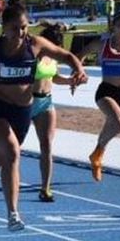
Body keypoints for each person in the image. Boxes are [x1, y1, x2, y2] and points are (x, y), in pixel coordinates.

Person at [0, 4, 87, 231]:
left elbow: (66, 55)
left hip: (21, 114)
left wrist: (79, 70)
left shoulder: (35, 45)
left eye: (24, 27)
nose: (21, 33)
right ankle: (12, 214)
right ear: (3, 27)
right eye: (15, 28)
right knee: (12, 153)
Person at [77, 12, 120, 182]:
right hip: (106, 91)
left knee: (110, 128)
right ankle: (97, 155)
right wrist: (79, 71)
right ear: (113, 27)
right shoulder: (102, 45)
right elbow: (80, 55)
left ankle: (97, 156)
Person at [30, 22, 80, 202]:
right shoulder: (32, 55)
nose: (55, 50)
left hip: (46, 102)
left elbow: (54, 77)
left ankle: (45, 188)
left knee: (47, 146)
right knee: (11, 147)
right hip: (26, 102)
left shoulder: (53, 58)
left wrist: (70, 81)